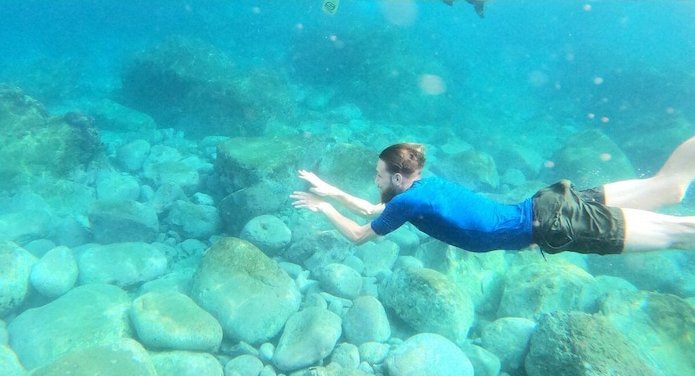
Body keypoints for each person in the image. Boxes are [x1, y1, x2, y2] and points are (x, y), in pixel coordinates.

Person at [290, 137, 695, 255]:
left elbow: (361, 232)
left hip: (556, 223)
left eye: (378, 174)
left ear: (397, 178)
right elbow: (372, 207)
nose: (374, 178)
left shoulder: (408, 202)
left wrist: (323, 206)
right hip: (547, 205)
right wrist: (329, 188)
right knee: (667, 187)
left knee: (683, 234)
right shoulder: (421, 189)